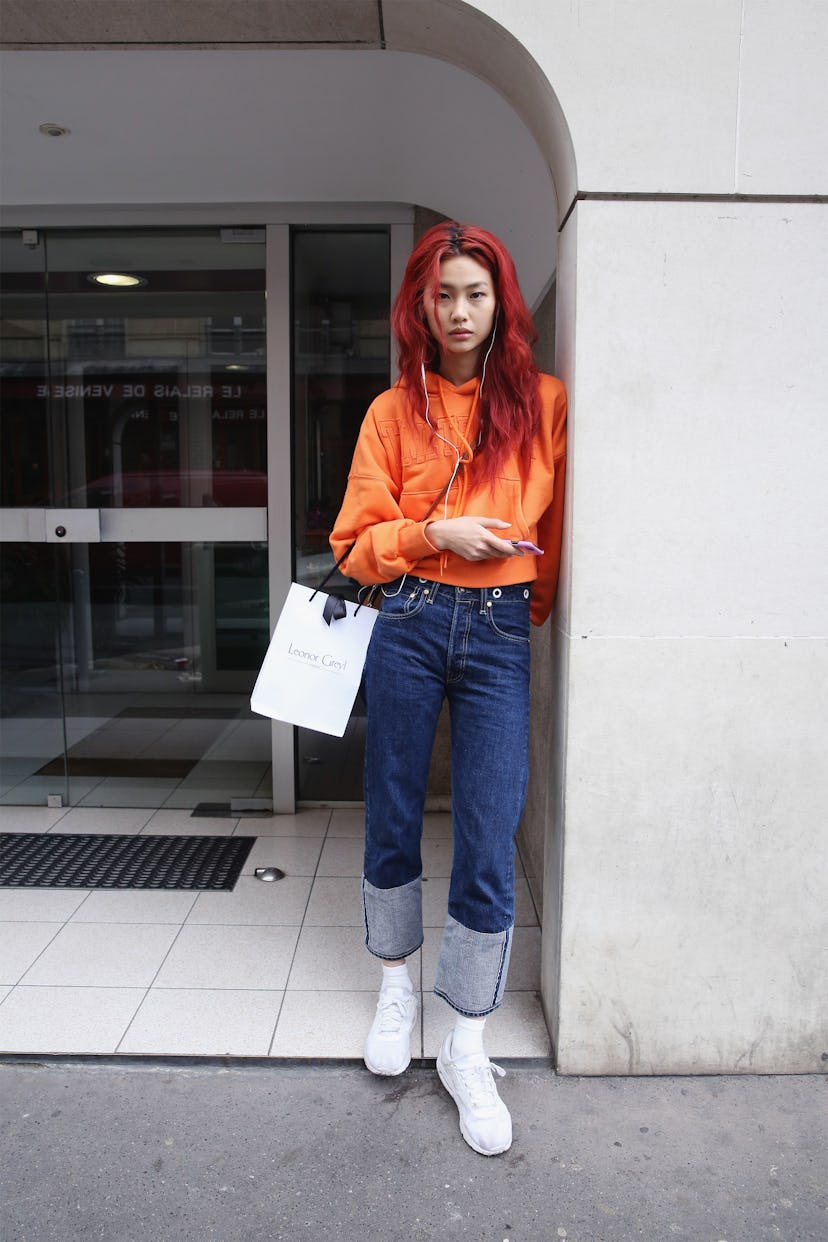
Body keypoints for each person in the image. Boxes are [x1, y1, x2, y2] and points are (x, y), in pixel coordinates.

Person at [330, 222, 567, 1156]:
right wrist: (440, 536)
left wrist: (524, 601)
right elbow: (356, 542)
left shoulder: (542, 403)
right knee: (391, 804)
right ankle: (397, 985)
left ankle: (467, 1039)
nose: (459, 311)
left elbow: (557, 517)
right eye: (443, 295)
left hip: (501, 631)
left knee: (489, 822)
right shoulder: (393, 413)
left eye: (475, 293)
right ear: (419, 308)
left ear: (500, 301)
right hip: (410, 621)